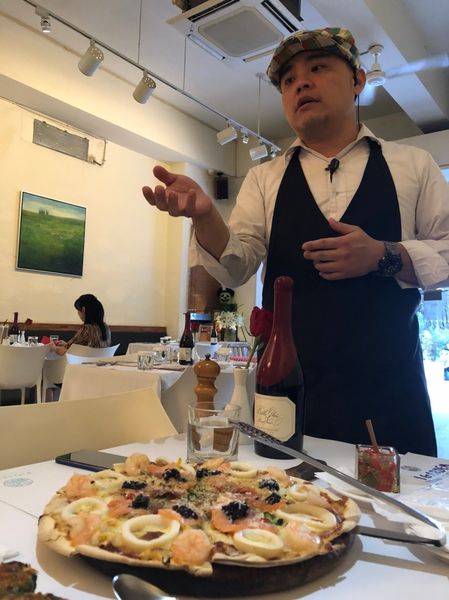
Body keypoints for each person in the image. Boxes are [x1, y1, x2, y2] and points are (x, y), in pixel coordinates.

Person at [142, 28, 449, 456]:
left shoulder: (413, 165)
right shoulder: (264, 178)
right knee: (284, 495)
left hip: (389, 386)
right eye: (288, 80)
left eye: (318, 68)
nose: (301, 83)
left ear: (358, 80)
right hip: (288, 389)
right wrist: (206, 216)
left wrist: (384, 255)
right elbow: (236, 265)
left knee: (393, 499)